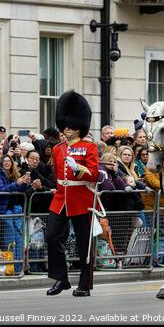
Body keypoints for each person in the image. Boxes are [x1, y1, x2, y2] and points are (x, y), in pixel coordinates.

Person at [46, 90, 99, 297]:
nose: (67, 130)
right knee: (51, 235)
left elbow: (94, 175)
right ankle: (62, 278)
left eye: (71, 126)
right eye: (65, 126)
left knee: (83, 243)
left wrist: (78, 168)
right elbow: (58, 175)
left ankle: (84, 284)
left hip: (81, 198)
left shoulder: (89, 147)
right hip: (61, 198)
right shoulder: (58, 149)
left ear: (80, 127)